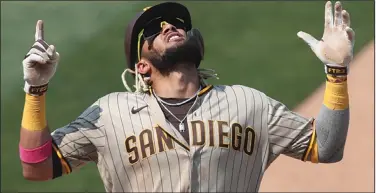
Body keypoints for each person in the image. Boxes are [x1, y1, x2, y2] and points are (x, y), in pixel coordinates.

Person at [19, 1, 355, 192]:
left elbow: (325, 147)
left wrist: (336, 73)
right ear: (142, 67)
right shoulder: (109, 114)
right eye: (153, 30)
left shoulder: (251, 104)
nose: (168, 26)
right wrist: (35, 90)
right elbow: (36, 167)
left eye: (176, 22)